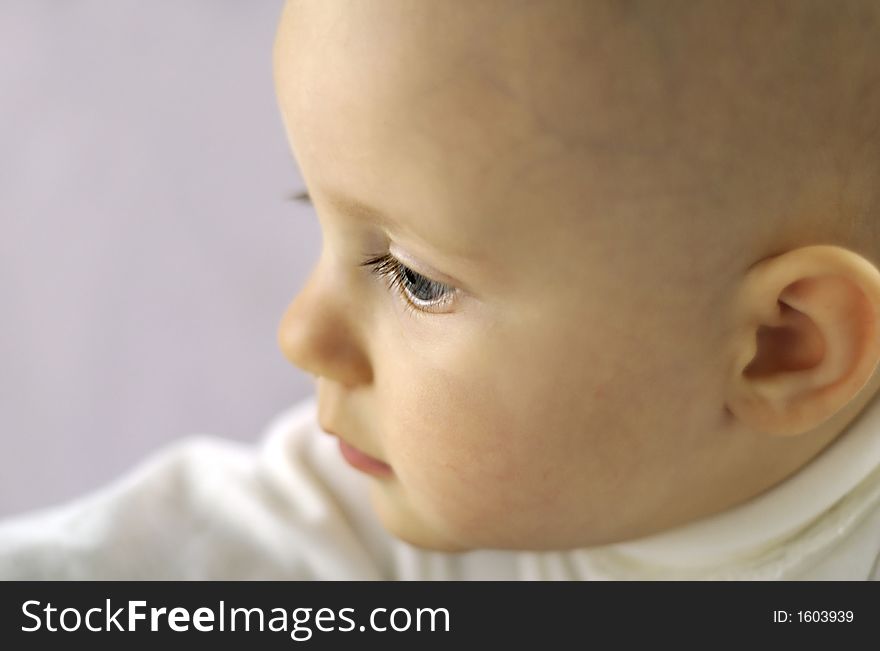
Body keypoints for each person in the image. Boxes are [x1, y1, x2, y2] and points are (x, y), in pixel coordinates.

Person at [3, 0, 880, 580]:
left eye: (415, 277)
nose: (304, 334)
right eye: (321, 215)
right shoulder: (396, 515)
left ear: (781, 347)